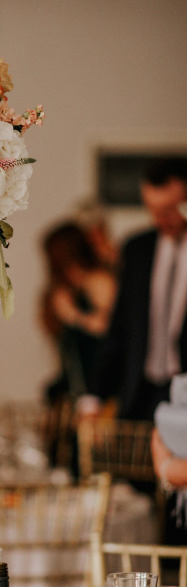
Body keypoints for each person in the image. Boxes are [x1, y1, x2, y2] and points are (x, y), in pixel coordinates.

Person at [89, 157, 187, 422]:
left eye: (170, 209)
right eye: (153, 210)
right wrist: (95, 395)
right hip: (141, 392)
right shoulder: (137, 249)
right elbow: (121, 325)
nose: (161, 219)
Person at [41, 221, 117, 400]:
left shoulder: (99, 281)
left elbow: (111, 329)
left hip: (104, 383)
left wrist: (74, 316)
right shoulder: (64, 291)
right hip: (77, 384)